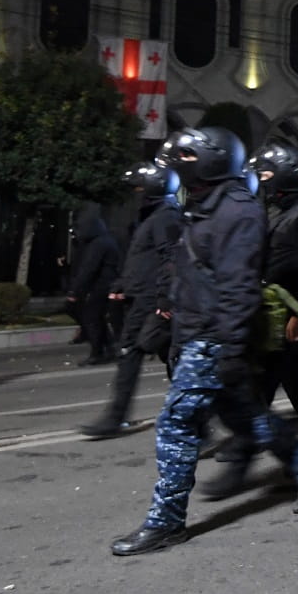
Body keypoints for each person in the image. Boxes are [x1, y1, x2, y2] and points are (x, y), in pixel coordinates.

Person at [111, 126, 298, 557]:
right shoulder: (203, 206)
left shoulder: (237, 212)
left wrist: (232, 349)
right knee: (242, 413)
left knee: (176, 423)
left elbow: (238, 287)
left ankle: (166, 522)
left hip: (213, 335)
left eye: (188, 159)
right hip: (196, 329)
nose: (177, 168)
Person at [205, 141, 298, 497]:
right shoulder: (279, 208)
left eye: (266, 172)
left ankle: (245, 456)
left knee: (262, 386)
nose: (261, 178)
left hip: (288, 311)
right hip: (269, 307)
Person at [81, 164, 183, 437]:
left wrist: (164, 300)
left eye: (140, 188)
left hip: (152, 301)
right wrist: (122, 285)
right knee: (172, 358)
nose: (136, 193)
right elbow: (141, 259)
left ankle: (116, 417)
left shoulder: (165, 217)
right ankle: (200, 422)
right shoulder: (151, 217)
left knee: (136, 353)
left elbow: (170, 258)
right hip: (143, 298)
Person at [65, 206, 122, 366]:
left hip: (100, 286)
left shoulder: (98, 244)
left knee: (91, 319)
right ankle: (107, 347)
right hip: (106, 285)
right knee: (95, 319)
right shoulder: (105, 241)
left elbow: (88, 268)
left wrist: (75, 290)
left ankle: (99, 351)